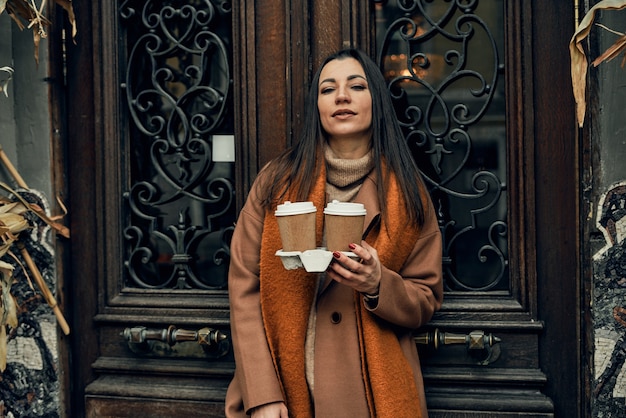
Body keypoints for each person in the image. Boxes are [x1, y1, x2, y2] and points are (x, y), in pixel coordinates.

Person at [225, 48, 443, 418]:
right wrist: (261, 393)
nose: (341, 96)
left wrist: (378, 284)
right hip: (285, 393)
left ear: (376, 100)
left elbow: (425, 297)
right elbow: (244, 288)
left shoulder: (407, 193)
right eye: (328, 89)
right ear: (317, 107)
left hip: (371, 398)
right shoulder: (276, 182)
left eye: (356, 86)